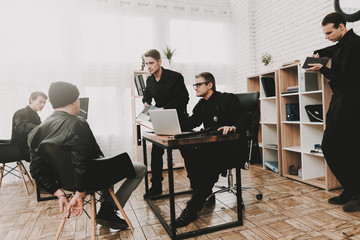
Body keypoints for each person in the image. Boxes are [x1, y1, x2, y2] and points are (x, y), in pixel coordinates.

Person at [28, 81, 146, 229]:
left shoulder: (36, 131)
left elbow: (37, 171)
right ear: (72, 101)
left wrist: (60, 194)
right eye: (77, 99)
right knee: (140, 168)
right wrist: (80, 194)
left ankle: (107, 208)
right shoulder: (78, 123)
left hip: (66, 183)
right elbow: (83, 163)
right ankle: (108, 209)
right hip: (87, 181)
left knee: (105, 165)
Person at [174, 72, 250, 227]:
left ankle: (192, 208)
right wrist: (172, 125)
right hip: (212, 146)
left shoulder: (226, 99)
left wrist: (233, 126)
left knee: (209, 164)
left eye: (198, 84)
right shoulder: (202, 104)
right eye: (194, 85)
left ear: (210, 85)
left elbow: (246, 118)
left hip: (231, 148)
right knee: (187, 148)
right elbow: (192, 121)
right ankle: (202, 192)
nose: (195, 88)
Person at [306, 12, 360, 212]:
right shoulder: (341, 45)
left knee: (343, 147)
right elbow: (328, 50)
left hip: (352, 104)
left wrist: (321, 68)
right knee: (333, 146)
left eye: (329, 32)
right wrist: (317, 56)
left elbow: (343, 78)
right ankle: (351, 189)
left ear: (341, 27)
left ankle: (356, 192)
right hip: (340, 102)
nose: (326, 36)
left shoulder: (355, 45)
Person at [142, 49, 189, 196]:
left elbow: (184, 99)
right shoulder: (149, 80)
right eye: (146, 64)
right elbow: (147, 95)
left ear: (159, 62)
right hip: (161, 119)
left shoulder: (175, 77)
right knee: (156, 152)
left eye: (151, 63)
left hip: (179, 119)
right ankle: (156, 186)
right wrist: (146, 102)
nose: (148, 66)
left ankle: (197, 184)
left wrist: (165, 107)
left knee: (187, 153)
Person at [11, 91, 47, 162]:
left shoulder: (36, 115)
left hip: (31, 145)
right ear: (31, 100)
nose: (42, 105)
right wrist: (43, 128)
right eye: (40, 102)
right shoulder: (21, 112)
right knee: (51, 153)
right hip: (20, 148)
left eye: (44, 103)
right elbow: (23, 127)